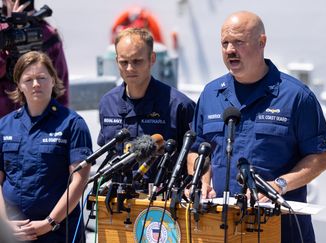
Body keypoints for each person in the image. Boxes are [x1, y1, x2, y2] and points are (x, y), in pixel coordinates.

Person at [187, 11, 326, 243]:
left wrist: (279, 185)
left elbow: (321, 157)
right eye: (224, 43)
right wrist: (202, 181)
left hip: (280, 228)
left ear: (261, 42)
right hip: (220, 228)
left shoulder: (296, 97)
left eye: (238, 42)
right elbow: (197, 149)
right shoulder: (210, 94)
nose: (229, 50)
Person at [0, 51, 92, 242]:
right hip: (13, 234)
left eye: (42, 77)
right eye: (29, 79)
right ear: (19, 85)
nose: (36, 84)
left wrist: (49, 222)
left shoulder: (73, 124)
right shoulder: (4, 126)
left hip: (58, 232)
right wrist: (4, 222)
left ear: (53, 80)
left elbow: (79, 181)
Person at [97, 27, 195, 185]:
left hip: (162, 202)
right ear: (116, 61)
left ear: (152, 59)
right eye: (124, 62)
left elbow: (194, 153)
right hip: (117, 201)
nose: (129, 68)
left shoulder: (179, 105)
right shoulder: (107, 103)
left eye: (137, 61)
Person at [0, 0, 69, 118]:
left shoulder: (46, 33)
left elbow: (60, 90)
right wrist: (9, 34)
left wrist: (61, 126)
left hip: (40, 126)